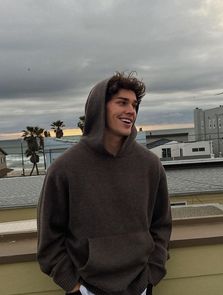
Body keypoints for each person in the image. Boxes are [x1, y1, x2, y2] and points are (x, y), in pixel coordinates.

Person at [37, 72, 172, 295]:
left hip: (140, 286)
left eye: (134, 105)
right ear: (99, 108)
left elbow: (161, 225)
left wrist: (152, 274)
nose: (131, 111)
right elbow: (49, 238)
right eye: (122, 103)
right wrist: (72, 285)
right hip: (86, 288)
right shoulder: (64, 168)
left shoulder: (150, 164)